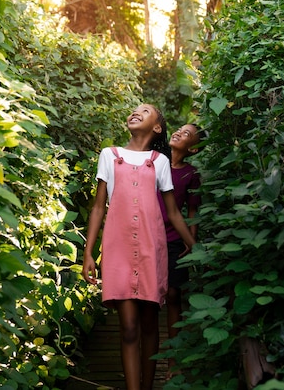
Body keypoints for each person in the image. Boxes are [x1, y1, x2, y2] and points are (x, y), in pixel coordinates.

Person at [82, 104, 196, 390]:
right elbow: (98, 207)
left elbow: (173, 212)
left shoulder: (160, 161)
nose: (136, 112)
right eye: (134, 110)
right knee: (129, 328)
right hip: (118, 249)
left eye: (145, 111)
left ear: (157, 127)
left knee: (148, 325)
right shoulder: (109, 155)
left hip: (151, 249)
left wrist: (194, 245)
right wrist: (89, 252)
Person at [157, 123, 204, 379]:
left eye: (186, 134)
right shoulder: (155, 162)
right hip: (148, 237)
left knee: (174, 295)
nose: (178, 133)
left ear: (193, 149)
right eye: (179, 129)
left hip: (174, 239)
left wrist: (191, 240)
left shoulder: (191, 174)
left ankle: (174, 360)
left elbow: (192, 210)